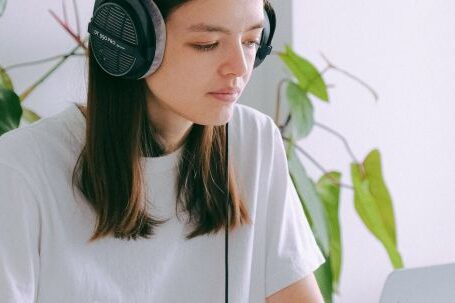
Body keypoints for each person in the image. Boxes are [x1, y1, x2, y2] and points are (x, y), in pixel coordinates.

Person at [0, 0, 326, 302]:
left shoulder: (254, 140)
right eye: (207, 44)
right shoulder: (19, 170)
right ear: (128, 40)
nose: (239, 68)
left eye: (251, 41)